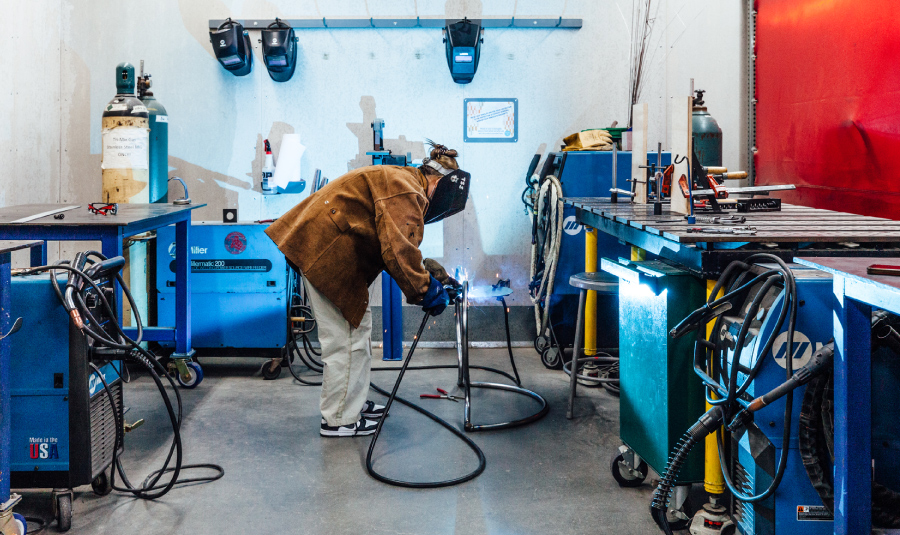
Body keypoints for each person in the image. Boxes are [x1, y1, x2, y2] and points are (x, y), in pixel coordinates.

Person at [265, 142, 470, 437]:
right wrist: (425, 291)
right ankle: (339, 420)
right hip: (326, 254)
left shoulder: (404, 180)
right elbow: (399, 250)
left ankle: (351, 404)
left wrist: (427, 276)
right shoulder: (407, 189)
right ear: (438, 183)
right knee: (345, 339)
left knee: (357, 330)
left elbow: (393, 244)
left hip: (331, 253)